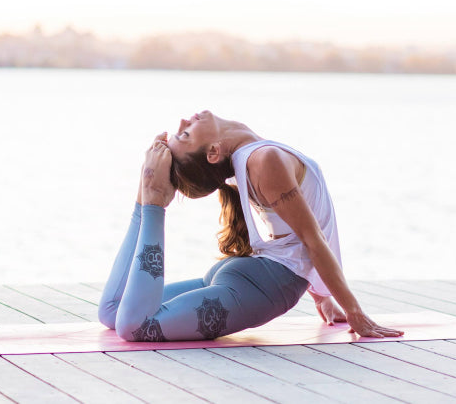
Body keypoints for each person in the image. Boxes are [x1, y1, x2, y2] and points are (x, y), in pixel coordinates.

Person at [98, 110, 403, 341]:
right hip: (261, 286)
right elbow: (312, 240)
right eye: (187, 135)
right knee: (127, 320)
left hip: (252, 279)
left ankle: (148, 203)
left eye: (184, 132)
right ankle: (149, 205)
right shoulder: (263, 159)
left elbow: (296, 237)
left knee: (117, 312)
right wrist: (354, 312)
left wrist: (324, 297)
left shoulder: (250, 158)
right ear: (213, 152)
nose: (182, 122)